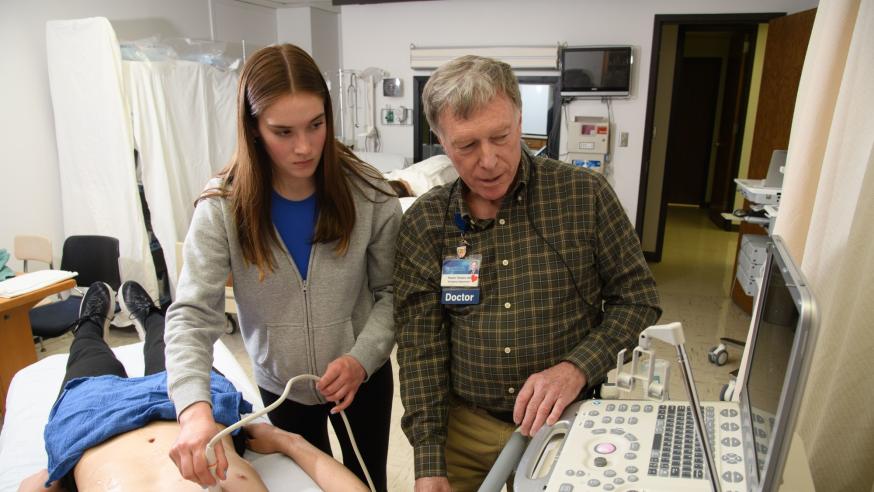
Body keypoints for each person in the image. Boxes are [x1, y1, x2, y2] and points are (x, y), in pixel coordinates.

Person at [394, 55, 662, 491]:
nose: (488, 160)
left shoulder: (584, 196)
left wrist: (577, 367)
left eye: (501, 136)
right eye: (466, 145)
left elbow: (638, 299)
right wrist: (428, 458)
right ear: (441, 141)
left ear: (520, 119)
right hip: (464, 429)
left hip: (565, 422)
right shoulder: (427, 222)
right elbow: (420, 346)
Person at [164, 44, 401, 490]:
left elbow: (392, 293)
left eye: (316, 125)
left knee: (368, 484)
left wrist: (361, 359)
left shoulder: (370, 193)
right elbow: (193, 314)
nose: (305, 147)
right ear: (253, 129)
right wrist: (194, 411)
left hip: (362, 379)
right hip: (283, 389)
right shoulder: (222, 209)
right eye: (283, 132)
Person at [19, 281, 367, 492]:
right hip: (201, 412)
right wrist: (290, 442)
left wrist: (57, 473)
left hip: (92, 427)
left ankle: (90, 323)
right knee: (167, 345)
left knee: (86, 353)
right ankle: (153, 318)